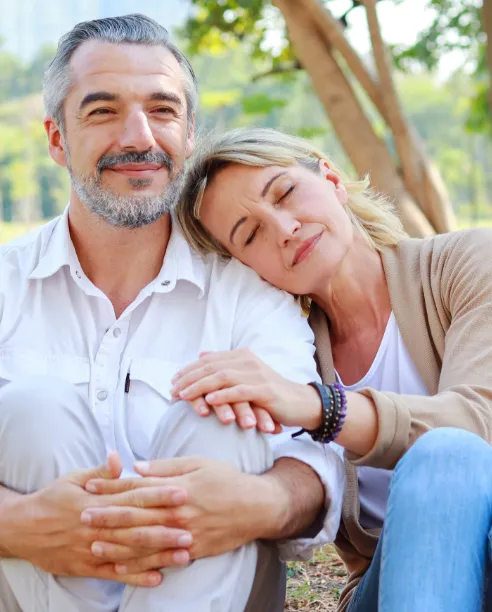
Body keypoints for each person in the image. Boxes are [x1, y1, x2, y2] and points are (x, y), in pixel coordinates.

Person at [0, 18, 346, 612]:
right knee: (35, 412)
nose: (138, 137)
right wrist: (16, 521)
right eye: (103, 111)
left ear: (188, 135)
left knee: (228, 421)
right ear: (57, 139)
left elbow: (312, 462)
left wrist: (257, 504)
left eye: (161, 110)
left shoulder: (248, 293)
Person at [174, 126, 492, 612]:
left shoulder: (468, 263)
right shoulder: (286, 358)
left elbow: (479, 424)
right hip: (385, 592)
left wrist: (321, 408)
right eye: (251, 234)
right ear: (246, 270)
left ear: (333, 178)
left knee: (446, 453)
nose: (284, 228)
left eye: (285, 192)